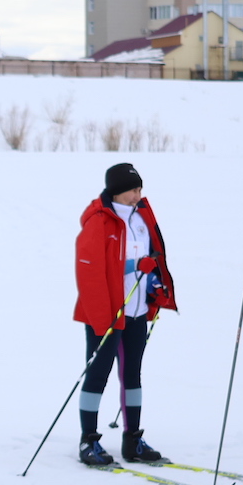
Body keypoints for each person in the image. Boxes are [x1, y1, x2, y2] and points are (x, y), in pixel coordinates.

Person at [72, 162, 178, 467]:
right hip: (105, 314)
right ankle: (88, 440)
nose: (137, 195)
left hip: (137, 310)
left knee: (132, 375)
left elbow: (155, 256)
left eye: (139, 189)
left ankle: (133, 439)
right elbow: (91, 272)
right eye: (132, 190)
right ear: (116, 192)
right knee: (98, 374)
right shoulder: (100, 223)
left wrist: (156, 284)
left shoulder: (141, 219)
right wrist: (102, 317)